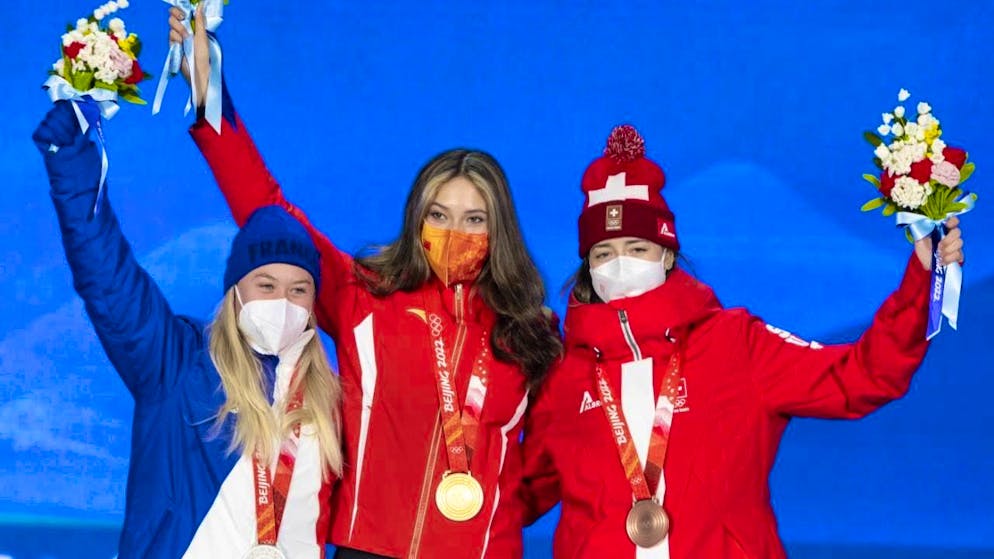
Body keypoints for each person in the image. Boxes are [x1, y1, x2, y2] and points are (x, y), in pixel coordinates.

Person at [167, 8, 562, 558]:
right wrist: (213, 103)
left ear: (500, 231)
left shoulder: (532, 332)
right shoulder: (364, 296)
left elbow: (552, 459)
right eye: (439, 214)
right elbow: (269, 209)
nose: (455, 231)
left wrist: (485, 513)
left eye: (475, 219)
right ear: (416, 219)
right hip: (366, 549)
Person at [520, 124, 966, 558]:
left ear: (668, 254)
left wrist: (922, 282)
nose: (620, 265)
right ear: (587, 268)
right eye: (603, 253)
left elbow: (862, 376)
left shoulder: (736, 343)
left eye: (637, 249)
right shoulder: (564, 374)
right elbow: (517, 492)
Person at [34, 101, 344, 559]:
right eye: (265, 285)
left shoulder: (331, 403)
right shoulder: (177, 363)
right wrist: (70, 157)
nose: (283, 302)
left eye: (299, 289)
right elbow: (106, 277)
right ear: (234, 292)